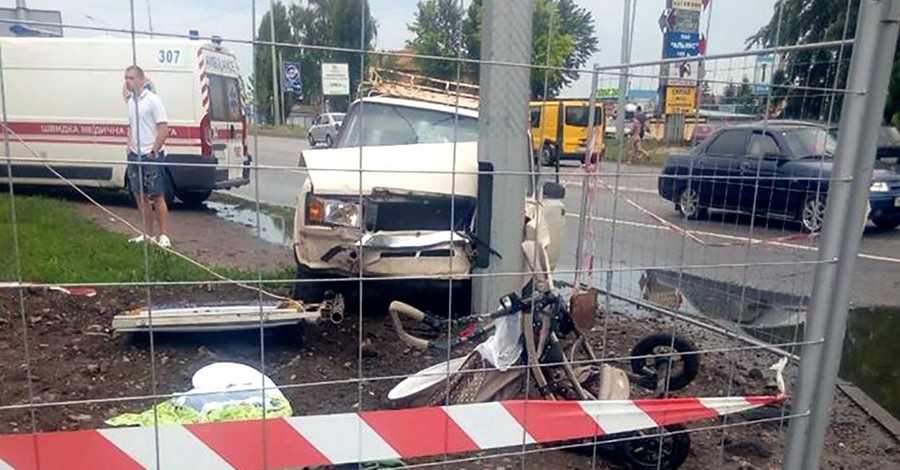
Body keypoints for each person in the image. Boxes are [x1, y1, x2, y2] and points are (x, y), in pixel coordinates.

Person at [124, 65, 171, 248]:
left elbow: (163, 128)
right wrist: (129, 148)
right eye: (126, 78)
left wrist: (154, 150)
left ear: (141, 80)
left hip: (150, 154)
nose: (128, 81)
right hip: (134, 154)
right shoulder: (130, 102)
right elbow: (132, 127)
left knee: (157, 195)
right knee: (139, 195)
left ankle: (164, 235)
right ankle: (147, 234)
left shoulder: (153, 101)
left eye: (131, 78)